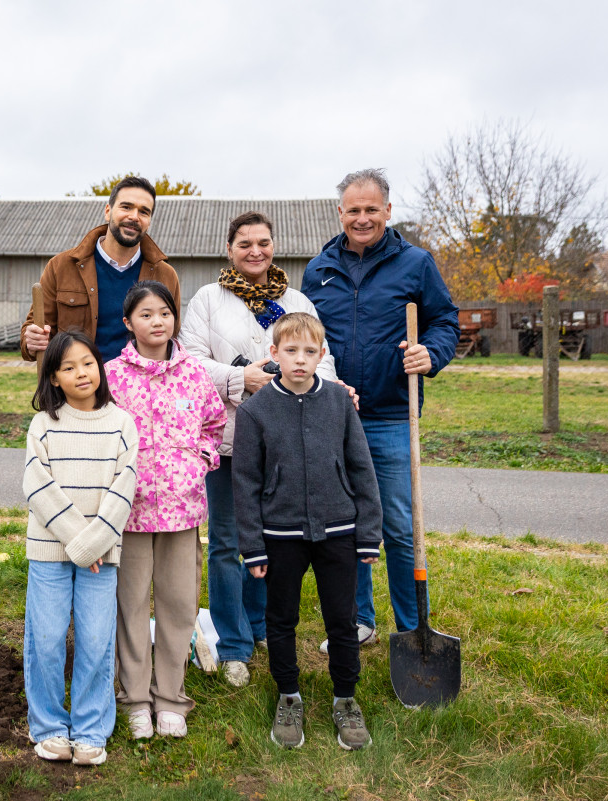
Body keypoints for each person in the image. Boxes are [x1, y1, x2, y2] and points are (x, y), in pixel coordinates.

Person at [179, 211, 341, 687]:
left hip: (284, 442)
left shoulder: (296, 302)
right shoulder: (208, 300)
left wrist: (309, 386)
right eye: (245, 243)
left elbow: (322, 359)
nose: (255, 251)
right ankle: (233, 644)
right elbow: (189, 360)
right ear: (229, 249)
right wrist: (239, 378)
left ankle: (260, 625)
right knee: (229, 541)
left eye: (263, 242)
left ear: (274, 246)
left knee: (271, 539)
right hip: (227, 440)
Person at [301, 169, 459, 648]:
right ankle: (358, 621)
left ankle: (412, 627)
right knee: (346, 525)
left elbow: (445, 321)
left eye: (372, 209)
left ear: (388, 211)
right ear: (341, 212)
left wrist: (431, 352)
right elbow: (304, 339)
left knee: (398, 526)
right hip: (334, 414)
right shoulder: (319, 269)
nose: (363, 218)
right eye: (354, 210)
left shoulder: (416, 264)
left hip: (393, 415)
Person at [231, 312, 382, 751]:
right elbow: (245, 483)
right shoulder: (256, 411)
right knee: (281, 618)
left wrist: (368, 533)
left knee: (342, 618)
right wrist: (253, 547)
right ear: (273, 354)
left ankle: (345, 699)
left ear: (321, 355)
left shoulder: (338, 403)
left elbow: (361, 469)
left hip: (339, 532)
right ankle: (288, 695)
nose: (300, 360)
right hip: (280, 536)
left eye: (309, 352)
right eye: (290, 351)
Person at [104, 281, 226, 740]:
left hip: (183, 510)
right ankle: (135, 697)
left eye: (165, 314)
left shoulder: (194, 374)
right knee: (130, 604)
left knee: (178, 605)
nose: (157, 322)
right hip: (129, 513)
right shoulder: (111, 375)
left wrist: (200, 460)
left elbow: (214, 424)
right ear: (128, 323)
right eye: (146, 315)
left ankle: (171, 697)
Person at [22, 330, 138, 767]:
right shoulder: (44, 424)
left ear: (99, 366)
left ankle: (90, 730)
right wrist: (81, 544)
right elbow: (38, 487)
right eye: (68, 367)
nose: (80, 373)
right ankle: (49, 727)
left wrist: (93, 545)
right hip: (51, 552)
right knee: (47, 638)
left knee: (95, 639)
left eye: (87, 362)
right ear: (54, 378)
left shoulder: (121, 423)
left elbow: (123, 489)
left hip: (102, 557)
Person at [21, 176, 181, 365]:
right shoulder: (61, 267)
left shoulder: (166, 275)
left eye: (144, 212)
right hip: (77, 388)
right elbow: (33, 332)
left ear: (149, 221)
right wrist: (31, 340)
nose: (134, 217)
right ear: (108, 211)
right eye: (126, 207)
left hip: (141, 391)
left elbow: (172, 339)